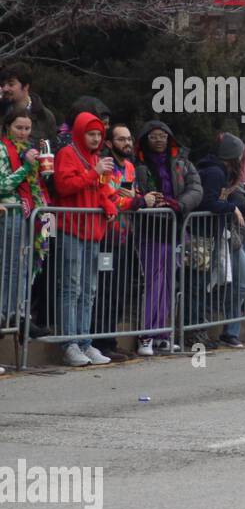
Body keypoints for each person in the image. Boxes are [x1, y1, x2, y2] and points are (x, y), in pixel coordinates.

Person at [51, 112, 120, 366]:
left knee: (89, 290)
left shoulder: (97, 158)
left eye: (99, 135)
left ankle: (85, 342)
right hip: (72, 229)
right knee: (71, 288)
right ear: (80, 133)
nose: (96, 138)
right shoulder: (68, 154)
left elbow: (102, 190)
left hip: (94, 232)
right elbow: (64, 186)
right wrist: (94, 171)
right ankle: (69, 343)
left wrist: (109, 207)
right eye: (91, 134)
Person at [133, 120, 203, 355]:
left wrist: (179, 204)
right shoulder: (138, 163)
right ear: (145, 139)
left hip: (175, 228)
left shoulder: (182, 161)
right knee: (154, 283)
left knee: (169, 284)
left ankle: (163, 333)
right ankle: (146, 335)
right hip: (149, 229)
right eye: (153, 136)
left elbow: (196, 189)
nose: (159, 140)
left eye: (163, 135)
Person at [197, 133, 245, 348]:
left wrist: (242, 203)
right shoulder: (216, 172)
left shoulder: (225, 173)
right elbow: (211, 202)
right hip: (216, 235)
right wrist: (234, 206)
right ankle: (202, 329)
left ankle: (227, 328)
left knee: (241, 284)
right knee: (205, 285)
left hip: (227, 236)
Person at [90, 124, 143, 360]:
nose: (127, 143)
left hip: (125, 237)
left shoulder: (130, 167)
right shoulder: (105, 166)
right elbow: (106, 199)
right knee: (105, 290)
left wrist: (135, 199)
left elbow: (133, 196)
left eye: (129, 139)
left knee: (120, 290)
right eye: (121, 139)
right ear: (110, 144)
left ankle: (111, 339)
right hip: (105, 236)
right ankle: (100, 341)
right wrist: (132, 201)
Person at [0, 109, 49, 336]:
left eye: (27, 128)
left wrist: (44, 163)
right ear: (8, 127)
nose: (22, 132)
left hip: (31, 213)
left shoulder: (30, 151)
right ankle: (6, 314)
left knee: (26, 266)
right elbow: (3, 185)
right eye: (18, 127)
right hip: (10, 213)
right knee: (10, 266)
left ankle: (20, 315)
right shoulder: (2, 148)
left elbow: (38, 184)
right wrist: (27, 167)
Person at [0, 62, 58, 145]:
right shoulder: (2, 112)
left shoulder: (45, 117)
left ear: (26, 86)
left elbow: (52, 148)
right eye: (3, 84)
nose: (5, 88)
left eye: (11, 84)